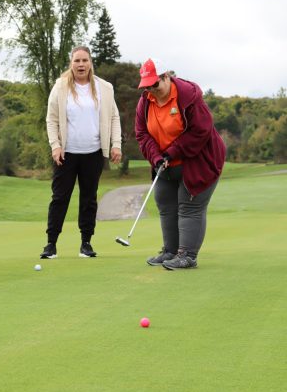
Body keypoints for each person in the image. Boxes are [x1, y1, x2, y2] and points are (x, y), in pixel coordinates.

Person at [135, 57, 226, 269]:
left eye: (155, 84)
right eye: (147, 86)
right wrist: (156, 157)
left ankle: (187, 255)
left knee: (190, 205)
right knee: (165, 201)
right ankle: (170, 251)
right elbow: (141, 134)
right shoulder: (145, 102)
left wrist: (173, 151)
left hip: (199, 159)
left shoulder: (187, 96)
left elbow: (201, 130)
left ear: (166, 76)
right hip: (166, 162)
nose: (151, 90)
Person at [40, 46, 122, 259]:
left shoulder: (104, 88)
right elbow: (52, 119)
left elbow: (114, 117)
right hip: (66, 154)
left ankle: (86, 243)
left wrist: (116, 144)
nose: (81, 64)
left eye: (85, 60)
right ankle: (51, 244)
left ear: (90, 62)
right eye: (77, 60)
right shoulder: (60, 87)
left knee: (89, 198)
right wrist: (55, 145)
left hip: (93, 153)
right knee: (60, 198)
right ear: (71, 63)